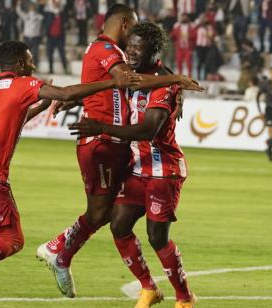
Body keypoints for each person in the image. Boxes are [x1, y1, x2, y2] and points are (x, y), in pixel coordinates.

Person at [0, 40, 141, 308]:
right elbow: (65, 93)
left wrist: (42, 106)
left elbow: (9, 120)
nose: (33, 66)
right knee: (12, 240)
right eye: (30, 61)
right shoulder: (23, 83)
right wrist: (113, 83)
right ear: (20, 64)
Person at [35, 3, 203, 300]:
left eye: (138, 50)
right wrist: (77, 101)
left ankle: (184, 297)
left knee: (156, 237)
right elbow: (110, 88)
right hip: (138, 165)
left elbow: (146, 130)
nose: (132, 54)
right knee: (119, 223)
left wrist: (101, 126)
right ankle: (149, 288)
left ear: (154, 53)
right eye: (131, 49)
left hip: (163, 168)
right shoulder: (138, 76)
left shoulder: (160, 85)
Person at [44, 0, 69, 74]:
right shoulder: (49, 14)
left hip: (60, 37)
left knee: (62, 53)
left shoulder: (63, 14)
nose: (56, 5)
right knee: (50, 54)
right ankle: (50, 69)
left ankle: (65, 69)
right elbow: (46, 24)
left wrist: (65, 25)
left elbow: (66, 24)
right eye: (55, 4)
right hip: (50, 37)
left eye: (58, 4)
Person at [16, 2, 43, 70]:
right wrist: (18, 4)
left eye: (33, 7)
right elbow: (18, 11)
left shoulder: (39, 17)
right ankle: (25, 67)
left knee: (34, 53)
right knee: (26, 53)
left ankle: (33, 67)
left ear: (35, 8)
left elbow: (43, 19)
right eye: (31, 7)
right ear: (29, 8)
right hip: (27, 37)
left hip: (35, 37)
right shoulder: (26, 16)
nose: (32, 9)